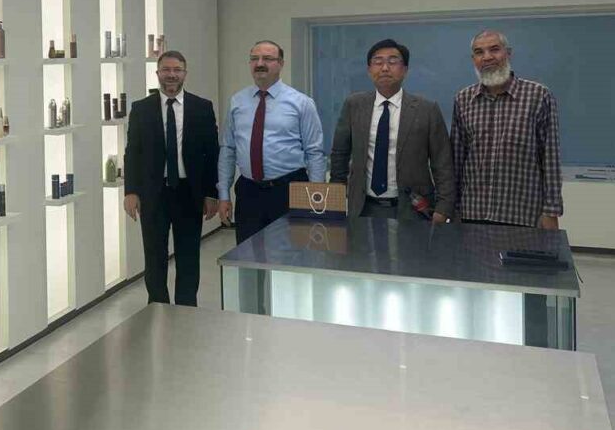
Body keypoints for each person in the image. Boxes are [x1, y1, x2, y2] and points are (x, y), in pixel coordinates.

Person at [123, 50, 219, 305]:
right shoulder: (141, 109)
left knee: (189, 256)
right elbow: (132, 152)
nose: (171, 75)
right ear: (158, 73)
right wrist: (130, 191)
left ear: (185, 74)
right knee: (154, 256)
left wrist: (212, 193)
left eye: (177, 70)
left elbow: (212, 153)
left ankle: (186, 309)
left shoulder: (202, 107)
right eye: (166, 69)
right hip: (154, 193)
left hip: (189, 192)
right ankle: (158, 308)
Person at [329, 39, 454, 223]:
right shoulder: (354, 105)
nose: (385, 68)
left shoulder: (426, 109)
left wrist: (443, 208)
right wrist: (335, 199)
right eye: (378, 62)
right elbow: (340, 154)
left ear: (405, 70)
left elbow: (442, 162)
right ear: (369, 70)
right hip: (362, 207)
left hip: (413, 210)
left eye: (393, 61)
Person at [452, 29, 563, 229]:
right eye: (479, 52)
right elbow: (457, 159)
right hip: (472, 213)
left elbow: (550, 158)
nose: (487, 57)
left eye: (494, 49)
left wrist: (551, 211)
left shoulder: (538, 96)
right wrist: (453, 207)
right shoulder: (463, 99)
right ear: (473, 59)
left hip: (521, 214)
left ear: (508, 53)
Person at [217, 40, 326, 241]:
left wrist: (316, 198)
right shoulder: (237, 101)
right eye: (254, 59)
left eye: (267, 58)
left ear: (281, 63)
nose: (260, 63)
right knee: (248, 253)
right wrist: (223, 195)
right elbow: (228, 149)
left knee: (290, 254)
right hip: (249, 192)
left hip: (288, 190)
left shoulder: (301, 103)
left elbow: (315, 153)